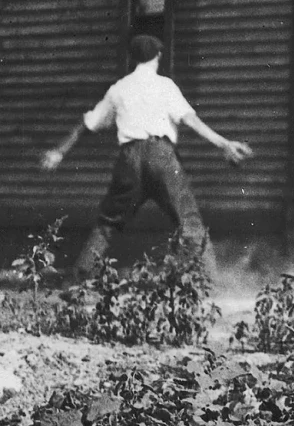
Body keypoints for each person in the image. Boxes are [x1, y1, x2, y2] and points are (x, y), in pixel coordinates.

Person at [40, 33, 252, 279]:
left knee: (109, 222)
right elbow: (190, 120)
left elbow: (87, 124)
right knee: (189, 221)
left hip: (129, 159)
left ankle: (78, 281)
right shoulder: (165, 86)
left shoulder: (118, 89)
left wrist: (59, 151)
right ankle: (210, 285)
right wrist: (223, 143)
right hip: (162, 156)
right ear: (158, 56)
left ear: (132, 58)